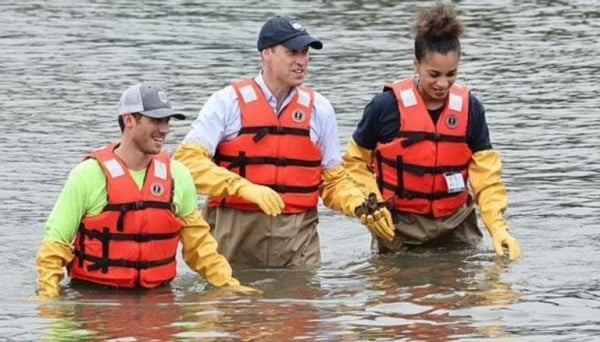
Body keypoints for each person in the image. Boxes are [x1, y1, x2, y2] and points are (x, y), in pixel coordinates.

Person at [174, 16, 394, 268]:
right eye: (292, 53)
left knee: (301, 303)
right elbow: (185, 163)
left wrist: (357, 203)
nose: (302, 61)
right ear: (266, 53)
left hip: (298, 242)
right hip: (235, 236)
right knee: (233, 305)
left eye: (305, 53)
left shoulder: (320, 109)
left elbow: (333, 179)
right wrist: (243, 187)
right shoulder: (226, 102)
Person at [35, 83, 259, 299]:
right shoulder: (87, 175)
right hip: (94, 298)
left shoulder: (178, 176)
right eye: (156, 120)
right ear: (129, 120)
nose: (165, 129)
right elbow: (55, 246)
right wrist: (49, 300)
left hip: (159, 297)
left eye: (167, 121)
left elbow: (199, 246)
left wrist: (229, 286)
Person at [343, 3, 522, 260]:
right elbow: (355, 164)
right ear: (416, 64)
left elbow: (487, 176)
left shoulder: (471, 109)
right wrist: (372, 204)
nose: (442, 83)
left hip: (457, 222)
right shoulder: (383, 107)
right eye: (434, 74)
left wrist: (498, 228)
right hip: (399, 225)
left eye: (451, 74)